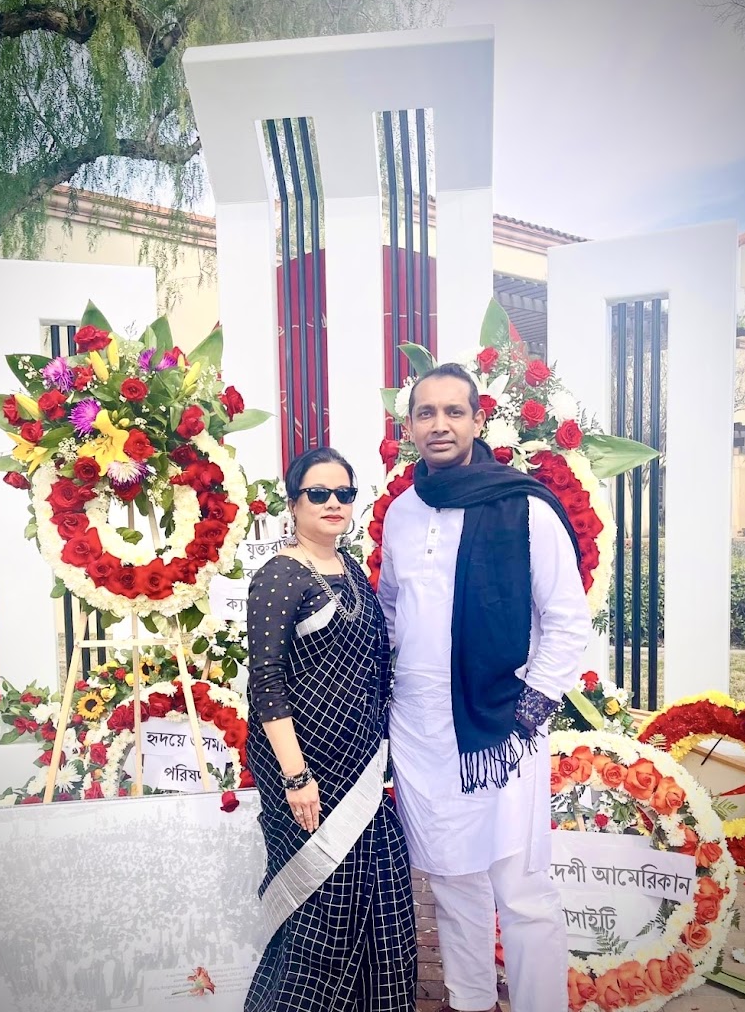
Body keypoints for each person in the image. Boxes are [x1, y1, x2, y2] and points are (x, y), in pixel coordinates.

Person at [377, 364, 592, 1012]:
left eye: (453, 411)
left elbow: (566, 620)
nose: (439, 424)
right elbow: (390, 609)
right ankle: (470, 1001)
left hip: (502, 727)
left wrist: (528, 711)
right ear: (410, 426)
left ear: (477, 420)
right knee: (451, 879)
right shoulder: (402, 512)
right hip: (421, 728)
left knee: (521, 889)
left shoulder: (524, 507)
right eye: (426, 412)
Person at [244, 446, 417, 1012]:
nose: (333, 503)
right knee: (320, 916)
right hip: (307, 775)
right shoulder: (279, 575)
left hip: (361, 769)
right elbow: (266, 682)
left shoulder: (352, 572)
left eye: (344, 493)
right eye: (318, 493)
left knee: (384, 901)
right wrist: (296, 778)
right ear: (293, 503)